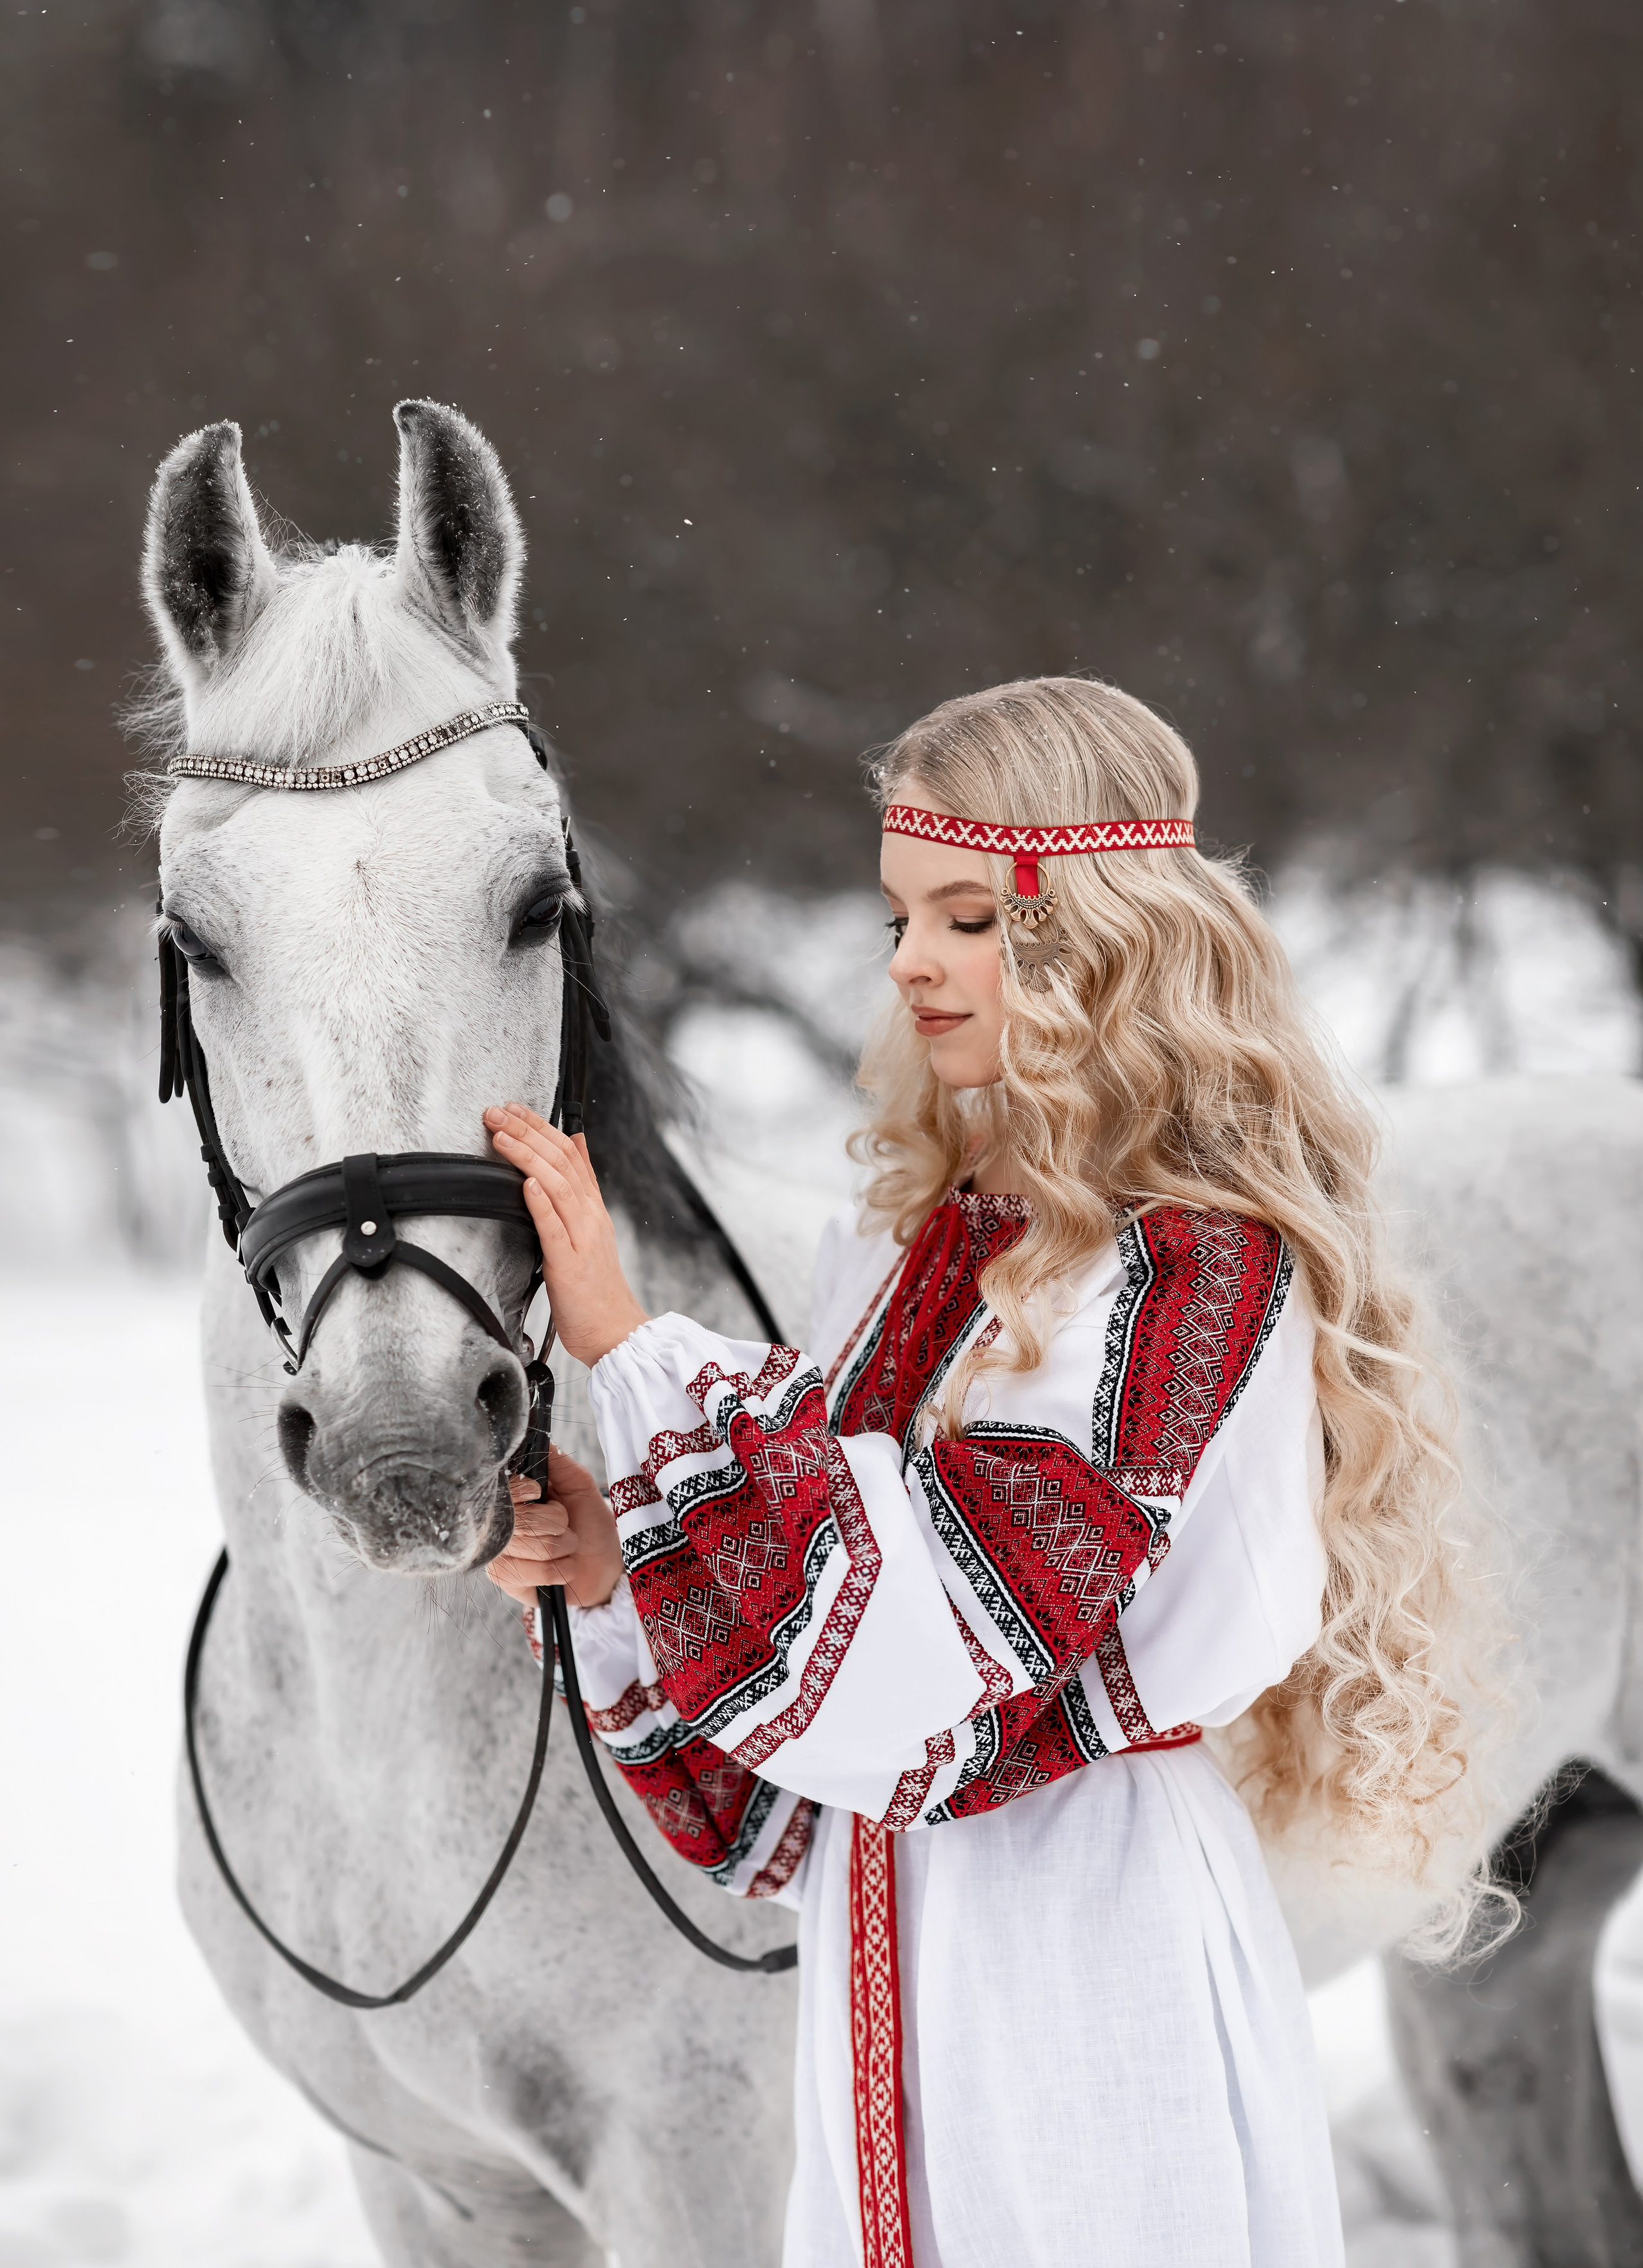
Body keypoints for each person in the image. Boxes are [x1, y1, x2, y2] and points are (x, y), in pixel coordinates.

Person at [481, 676, 1470, 2268]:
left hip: (1086, 1941)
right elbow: (822, 1741)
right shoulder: (908, 1237)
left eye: (965, 917)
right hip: (899, 1937)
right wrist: (625, 1564)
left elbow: (939, 1659)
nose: (907, 963)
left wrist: (631, 1350)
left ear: (1097, 931)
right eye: (896, 915)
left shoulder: (1184, 1272)